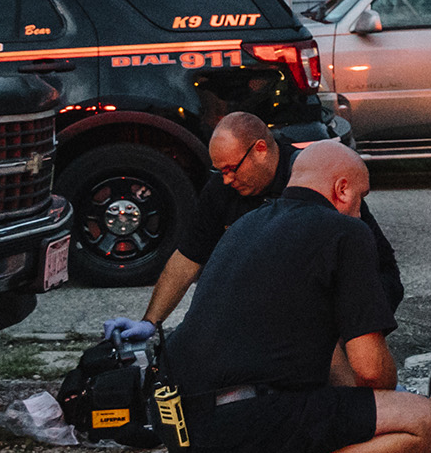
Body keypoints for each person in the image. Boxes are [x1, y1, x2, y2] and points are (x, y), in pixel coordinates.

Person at [156, 140, 431, 453]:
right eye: (360, 198)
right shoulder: (346, 231)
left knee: (341, 393)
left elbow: (325, 353)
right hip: (238, 422)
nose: (360, 209)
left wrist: (358, 410)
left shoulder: (246, 225)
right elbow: (372, 370)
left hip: (180, 425)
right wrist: (385, 410)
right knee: (424, 422)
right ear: (342, 189)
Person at [133, 113, 404, 333]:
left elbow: (372, 261)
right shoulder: (221, 189)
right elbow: (188, 258)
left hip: (338, 295)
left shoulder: (313, 176)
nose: (226, 179)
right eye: (220, 170)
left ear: (260, 149)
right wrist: (150, 322)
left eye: (231, 169)